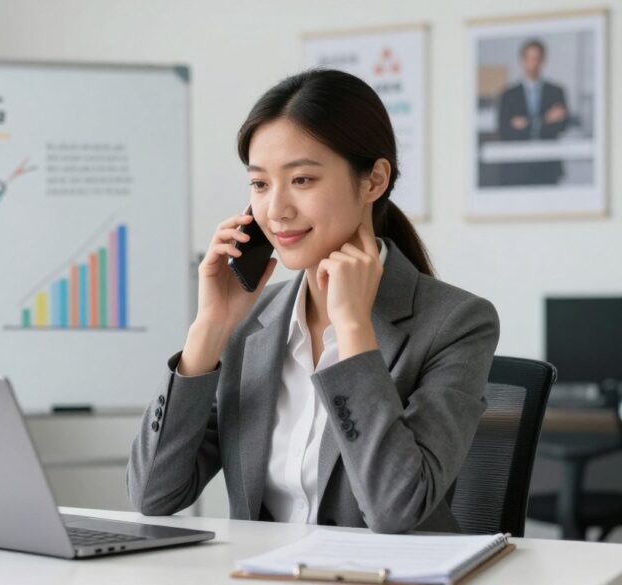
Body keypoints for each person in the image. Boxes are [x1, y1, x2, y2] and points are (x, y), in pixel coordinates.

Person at [127, 69, 500, 534]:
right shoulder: (250, 324)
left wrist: (353, 331)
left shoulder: (456, 322)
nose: (276, 209)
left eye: (301, 179)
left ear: (373, 180)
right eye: (260, 184)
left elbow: (396, 510)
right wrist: (210, 327)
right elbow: (153, 495)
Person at [495, 39, 570, 185]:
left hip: (548, 167)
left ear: (543, 61)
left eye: (536, 58)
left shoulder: (555, 92)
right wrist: (544, 119)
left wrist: (526, 123)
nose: (533, 63)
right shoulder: (509, 95)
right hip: (516, 168)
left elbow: (562, 126)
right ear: (522, 61)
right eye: (529, 58)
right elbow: (504, 130)